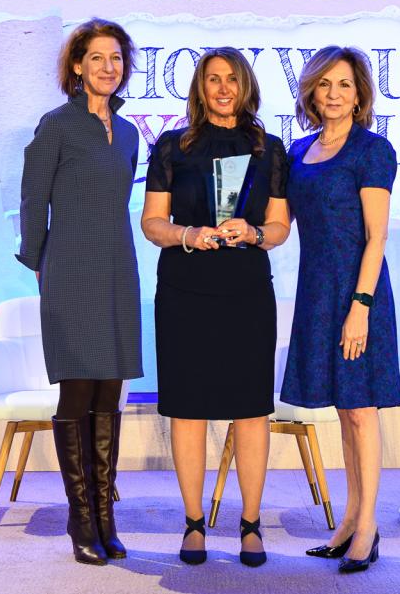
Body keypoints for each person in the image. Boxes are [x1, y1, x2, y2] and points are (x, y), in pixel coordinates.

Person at [141, 47, 291, 567]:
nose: (223, 88)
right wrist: (189, 234)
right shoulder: (170, 147)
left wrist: (253, 232)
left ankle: (251, 525)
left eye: (232, 79)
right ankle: (193, 524)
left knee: (250, 412)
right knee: (188, 412)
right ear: (199, 89)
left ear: (246, 86)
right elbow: (152, 223)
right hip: (184, 291)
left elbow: (279, 228)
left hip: (247, 292)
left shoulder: (270, 149)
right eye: (212, 80)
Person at [16, 18, 143, 566]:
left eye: (116, 58)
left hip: (118, 268)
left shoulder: (131, 132)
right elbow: (32, 199)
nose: (107, 68)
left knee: (110, 393)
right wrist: (39, 260)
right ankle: (80, 520)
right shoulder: (57, 125)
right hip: (68, 269)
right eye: (97, 58)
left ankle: (105, 516)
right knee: (78, 392)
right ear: (76, 66)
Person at [280, 46, 400, 574]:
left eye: (345, 85)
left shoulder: (372, 150)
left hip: (358, 293)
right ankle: (349, 519)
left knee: (361, 409)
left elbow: (377, 237)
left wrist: (361, 307)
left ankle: (368, 525)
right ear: (311, 91)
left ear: (360, 95)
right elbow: (279, 223)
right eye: (325, 84)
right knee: (341, 412)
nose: (333, 94)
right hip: (316, 293)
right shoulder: (297, 151)